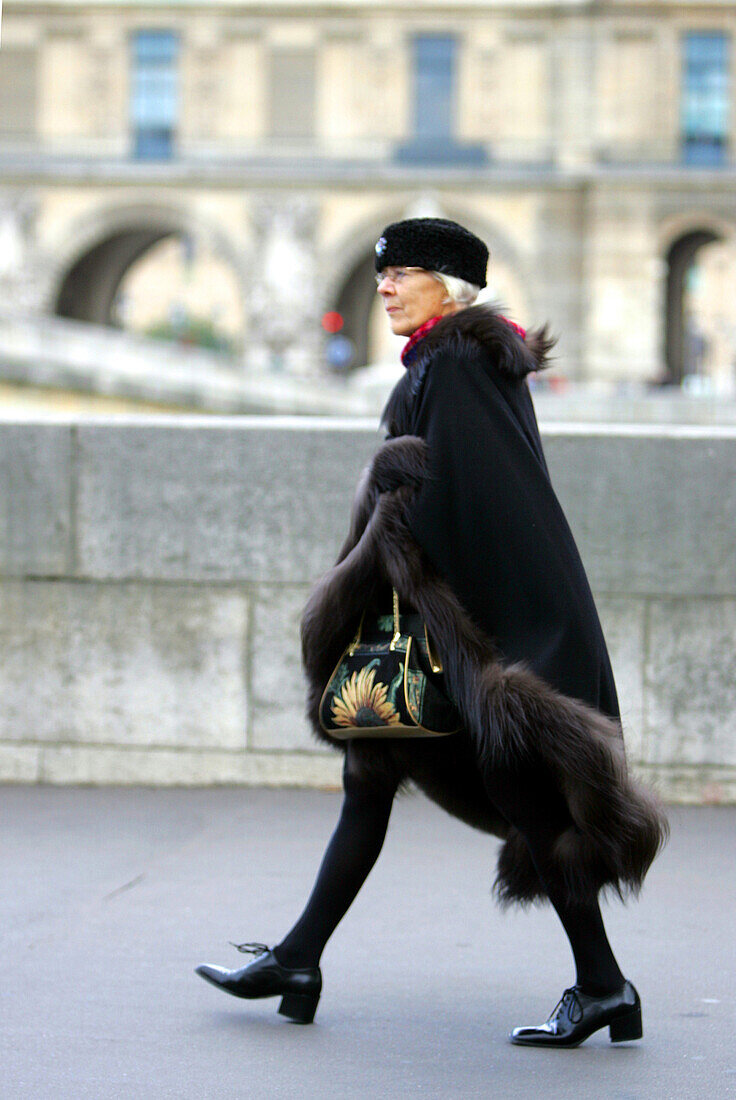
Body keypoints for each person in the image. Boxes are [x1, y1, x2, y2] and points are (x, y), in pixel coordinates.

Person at [195, 217, 667, 1047]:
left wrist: (390, 528)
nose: (384, 286)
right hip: (465, 619)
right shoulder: (455, 360)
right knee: (368, 779)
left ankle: (603, 985)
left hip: (481, 632)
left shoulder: (453, 362)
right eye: (381, 273)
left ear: (448, 286)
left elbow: (465, 498)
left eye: (404, 273)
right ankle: (298, 958)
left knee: (530, 803)